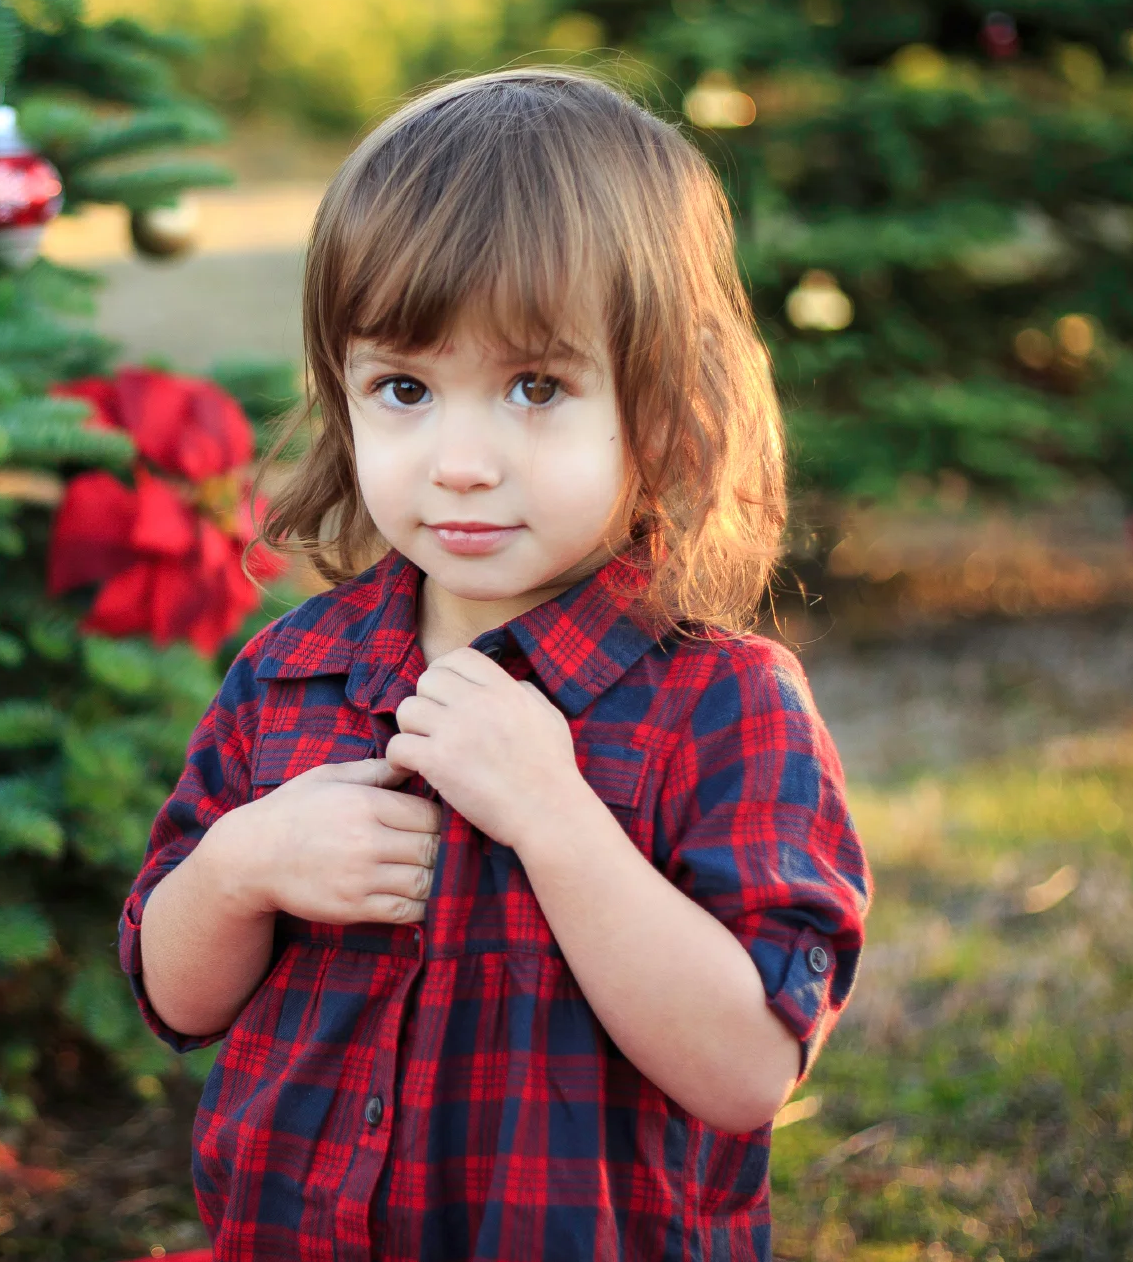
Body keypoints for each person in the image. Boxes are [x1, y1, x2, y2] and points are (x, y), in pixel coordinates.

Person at [114, 67, 873, 1261]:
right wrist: (240, 867)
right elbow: (173, 996)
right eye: (403, 388)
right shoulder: (290, 677)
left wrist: (553, 818)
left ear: (662, 406)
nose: (459, 460)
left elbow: (744, 1069)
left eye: (534, 387)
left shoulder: (721, 706)